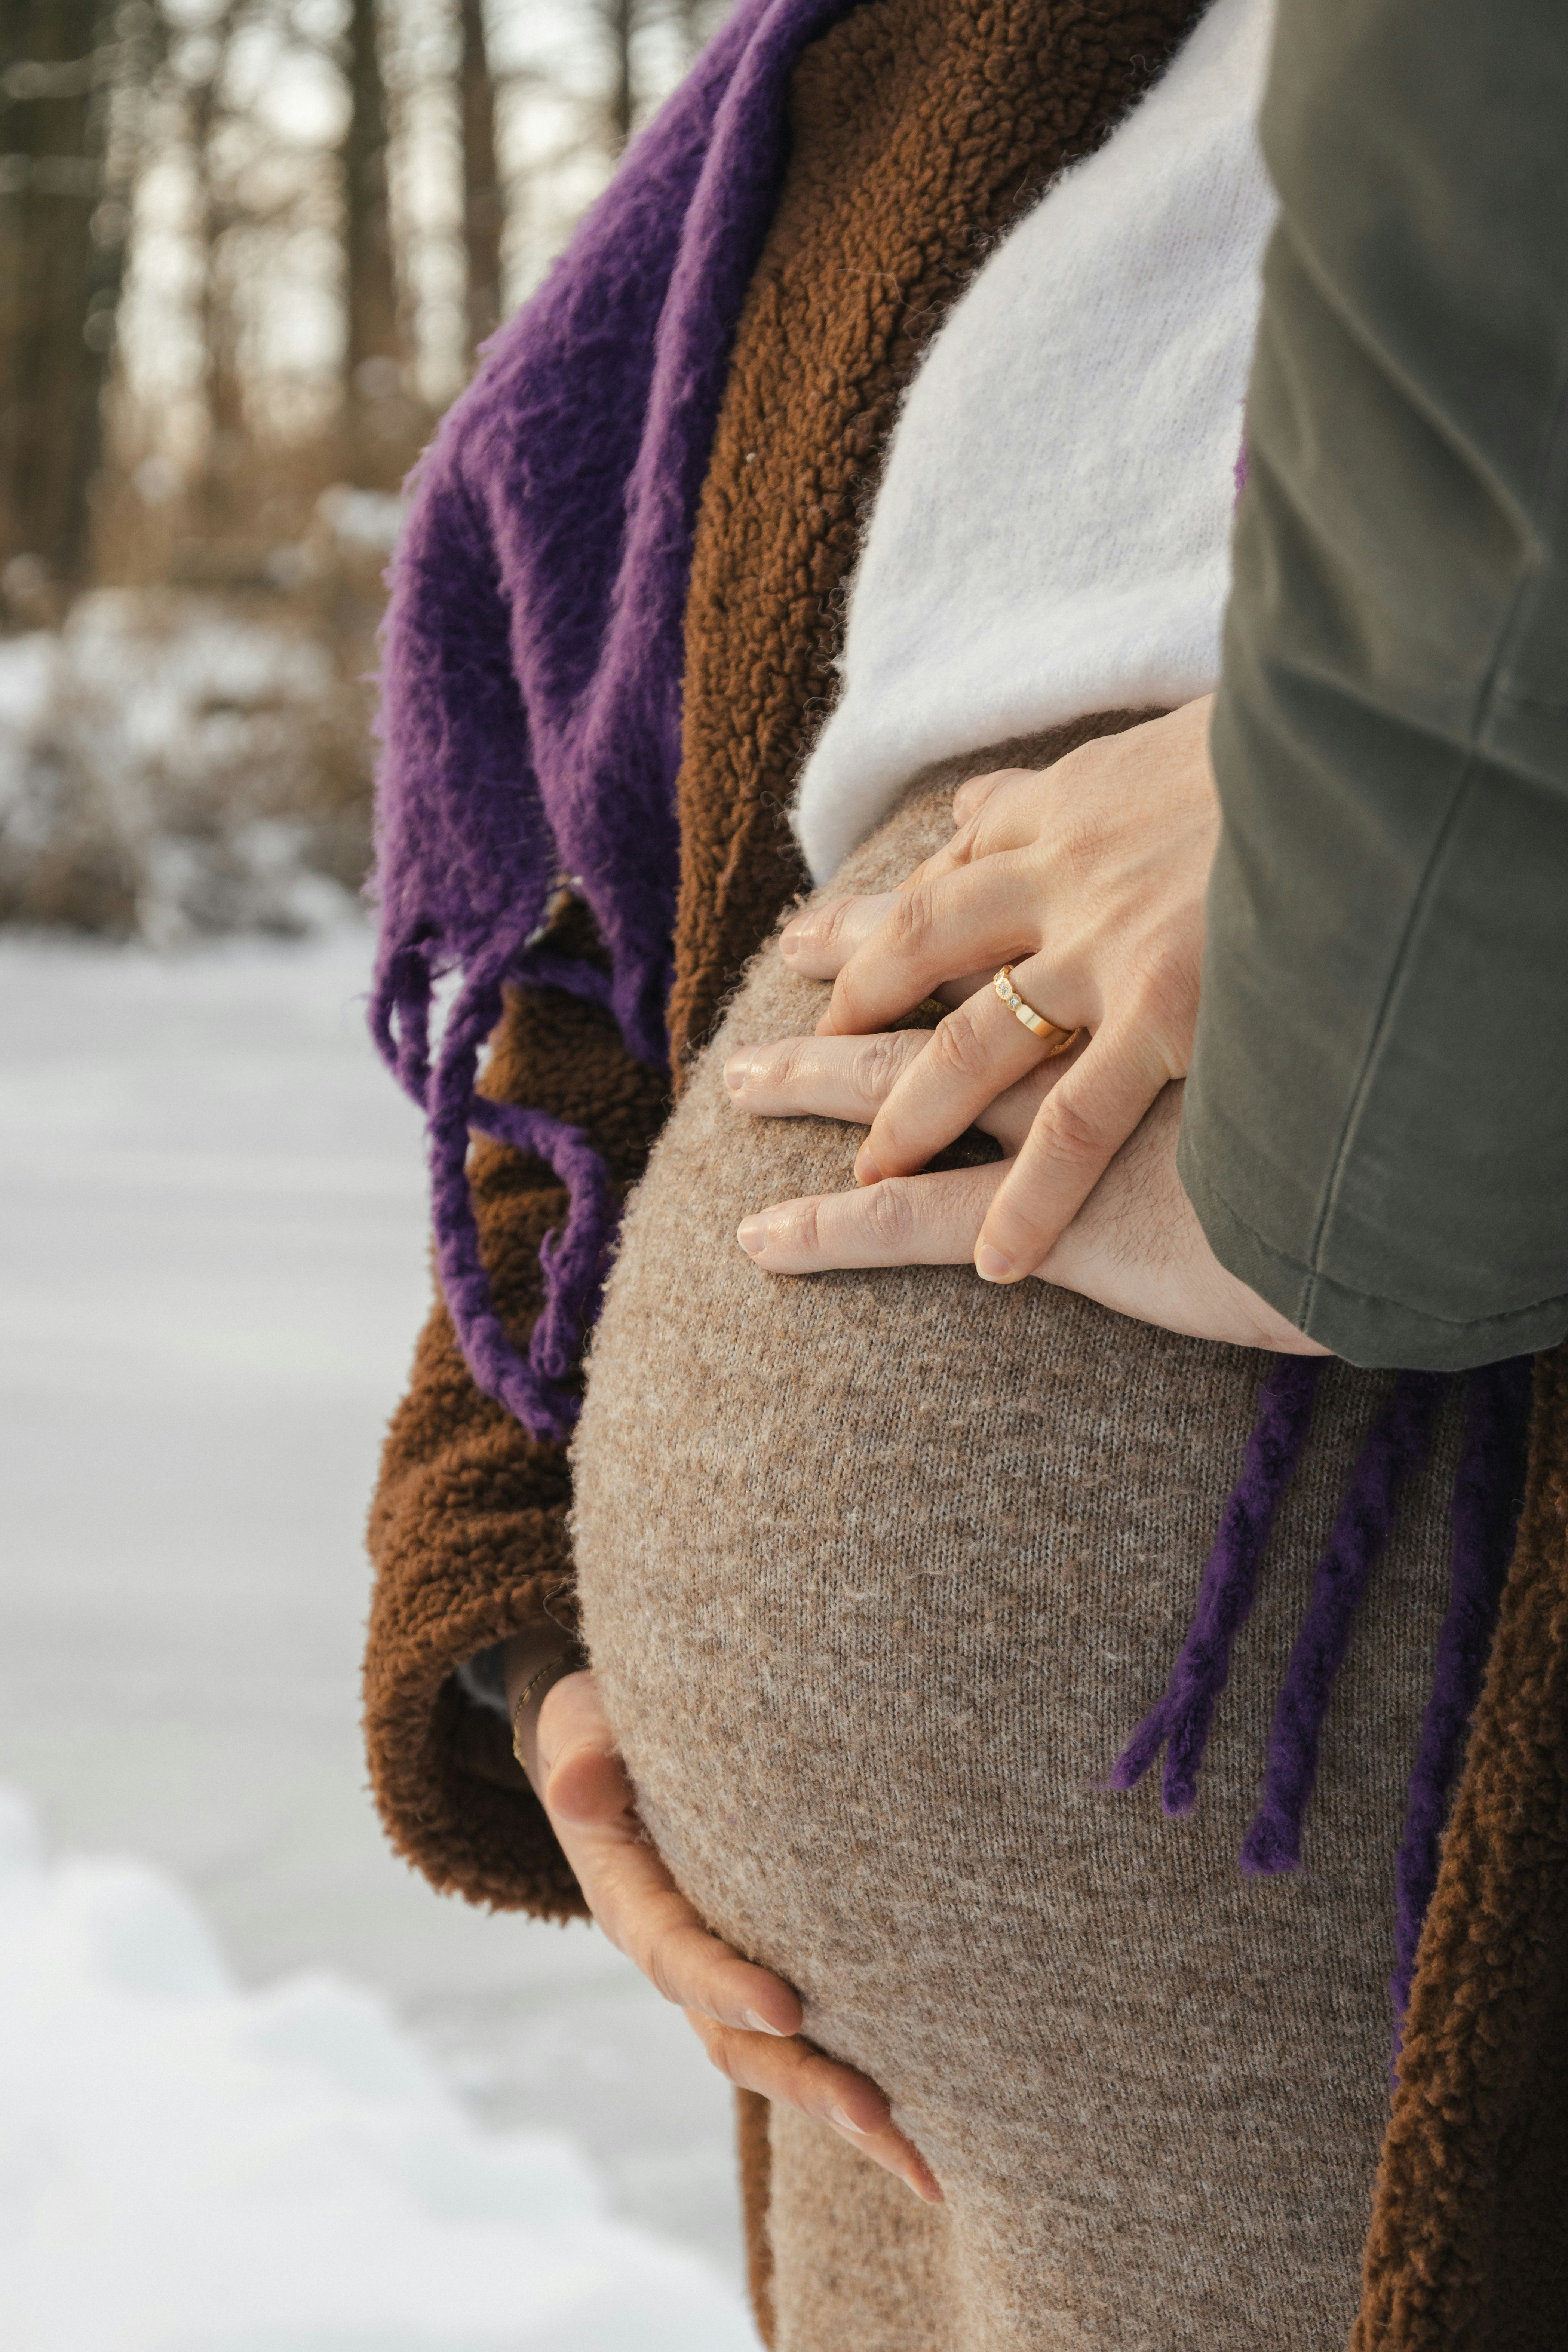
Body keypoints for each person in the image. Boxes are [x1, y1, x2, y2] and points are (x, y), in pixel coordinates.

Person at [363, 0, 1568, 2343]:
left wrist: (1326, 830)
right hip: (857, 2075)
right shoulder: (908, 62)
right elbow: (622, 906)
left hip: (1345, 1858)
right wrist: (522, 1592)